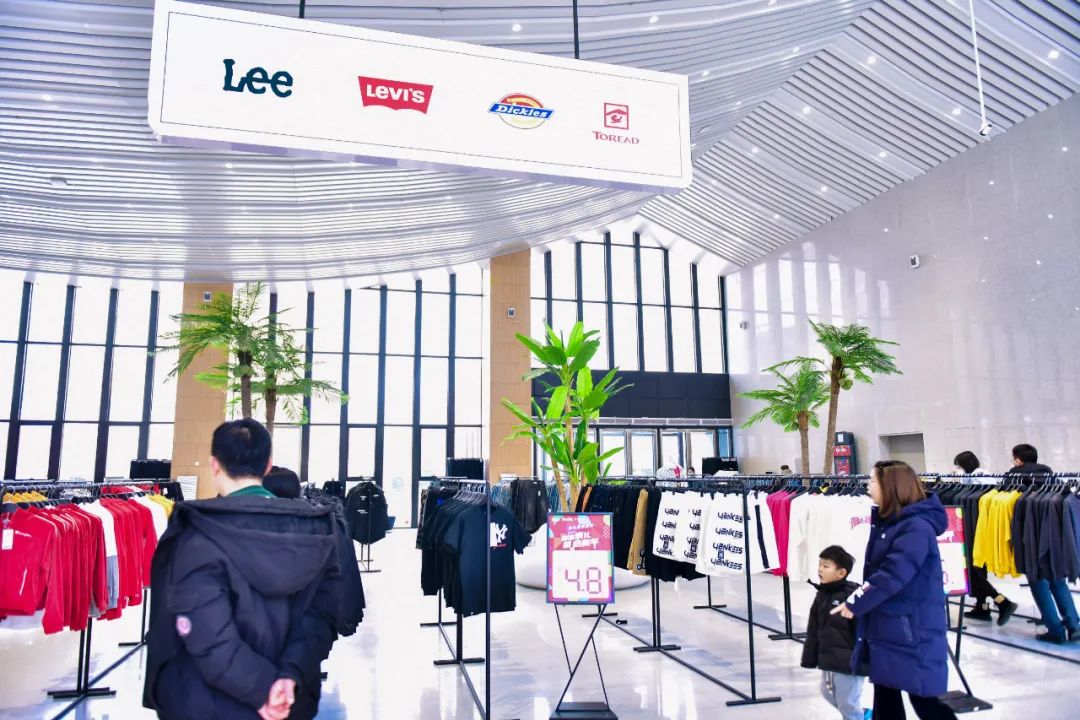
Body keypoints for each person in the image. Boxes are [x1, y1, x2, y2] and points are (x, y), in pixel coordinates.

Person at [144, 419, 343, 720]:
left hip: (210, 704)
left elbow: (207, 632)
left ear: (214, 465)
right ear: (268, 466)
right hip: (291, 702)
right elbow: (321, 618)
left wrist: (261, 691)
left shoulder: (196, 534)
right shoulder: (318, 531)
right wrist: (288, 676)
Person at [832, 460, 957, 720]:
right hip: (891, 626)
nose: (867, 485)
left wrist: (856, 603)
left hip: (911, 629)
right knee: (886, 693)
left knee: (925, 699)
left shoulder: (915, 527)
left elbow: (893, 574)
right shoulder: (890, 522)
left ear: (890, 486)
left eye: (873, 481)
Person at [1002, 444, 1078, 643]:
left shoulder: (1013, 479)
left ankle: (1055, 630)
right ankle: (1074, 625)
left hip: (1029, 537)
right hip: (1052, 535)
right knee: (1057, 581)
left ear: (1018, 460)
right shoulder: (1051, 477)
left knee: (1038, 583)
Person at [801, 545, 867, 720]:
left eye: (826, 566)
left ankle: (858, 716)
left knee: (847, 702)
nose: (820, 570)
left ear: (841, 573)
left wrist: (863, 657)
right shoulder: (822, 595)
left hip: (850, 662)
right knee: (827, 692)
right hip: (830, 658)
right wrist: (809, 658)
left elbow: (864, 629)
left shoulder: (853, 596)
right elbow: (813, 629)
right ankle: (862, 714)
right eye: (820, 565)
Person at [952, 451, 1018, 625]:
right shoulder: (978, 478)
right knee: (977, 571)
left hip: (975, 530)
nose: (957, 469)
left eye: (958, 466)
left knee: (973, 573)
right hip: (979, 529)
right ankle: (982, 607)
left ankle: (1002, 602)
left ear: (965, 465)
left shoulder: (977, 480)